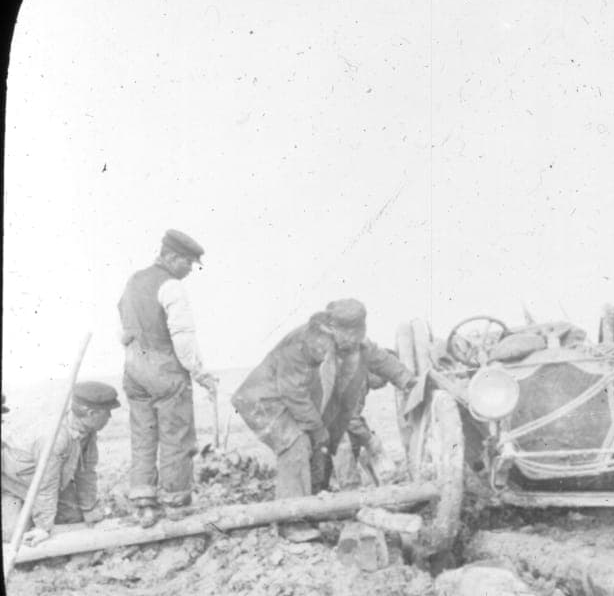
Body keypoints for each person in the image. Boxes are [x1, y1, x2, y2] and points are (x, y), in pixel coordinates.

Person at [118, 229, 218, 528]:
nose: (190, 269)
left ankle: (144, 503)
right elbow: (183, 338)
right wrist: (200, 374)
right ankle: (176, 504)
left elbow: (124, 325)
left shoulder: (134, 280)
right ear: (171, 256)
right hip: (164, 368)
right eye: (188, 262)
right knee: (176, 435)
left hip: (134, 367)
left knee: (143, 435)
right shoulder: (171, 286)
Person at [232, 310, 353, 541]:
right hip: (260, 401)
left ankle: (307, 507)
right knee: (294, 444)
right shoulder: (295, 349)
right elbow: (294, 394)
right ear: (312, 333)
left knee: (308, 442)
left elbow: (311, 389)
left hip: (278, 397)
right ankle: (290, 521)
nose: (324, 348)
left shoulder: (316, 344)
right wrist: (316, 429)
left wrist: (318, 429)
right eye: (322, 341)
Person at [312, 299, 415, 491]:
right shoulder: (327, 358)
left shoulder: (363, 349)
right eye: (347, 335)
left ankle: (327, 494)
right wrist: (371, 441)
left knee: (349, 442)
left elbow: (387, 364)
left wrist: (410, 381)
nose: (382, 384)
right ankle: (347, 494)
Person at [2, 382, 121, 545]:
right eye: (107, 412)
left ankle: (34, 513)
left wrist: (88, 508)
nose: (109, 417)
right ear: (91, 413)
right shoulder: (55, 437)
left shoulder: (86, 430)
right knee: (14, 535)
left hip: (48, 484)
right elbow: (46, 483)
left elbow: (85, 471)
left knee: (75, 518)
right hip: (13, 486)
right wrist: (43, 527)